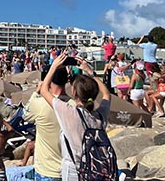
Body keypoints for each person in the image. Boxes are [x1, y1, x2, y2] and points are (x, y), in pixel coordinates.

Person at [40, 52, 112, 181]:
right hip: (97, 169)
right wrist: (90, 72)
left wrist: (54, 66)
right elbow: (106, 94)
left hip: (74, 169)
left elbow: (44, 90)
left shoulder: (70, 113)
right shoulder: (100, 116)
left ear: (74, 92)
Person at [24, 68, 72, 181]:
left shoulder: (40, 104)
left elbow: (25, 114)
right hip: (68, 170)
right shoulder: (73, 105)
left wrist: (36, 92)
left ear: (48, 81)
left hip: (46, 170)